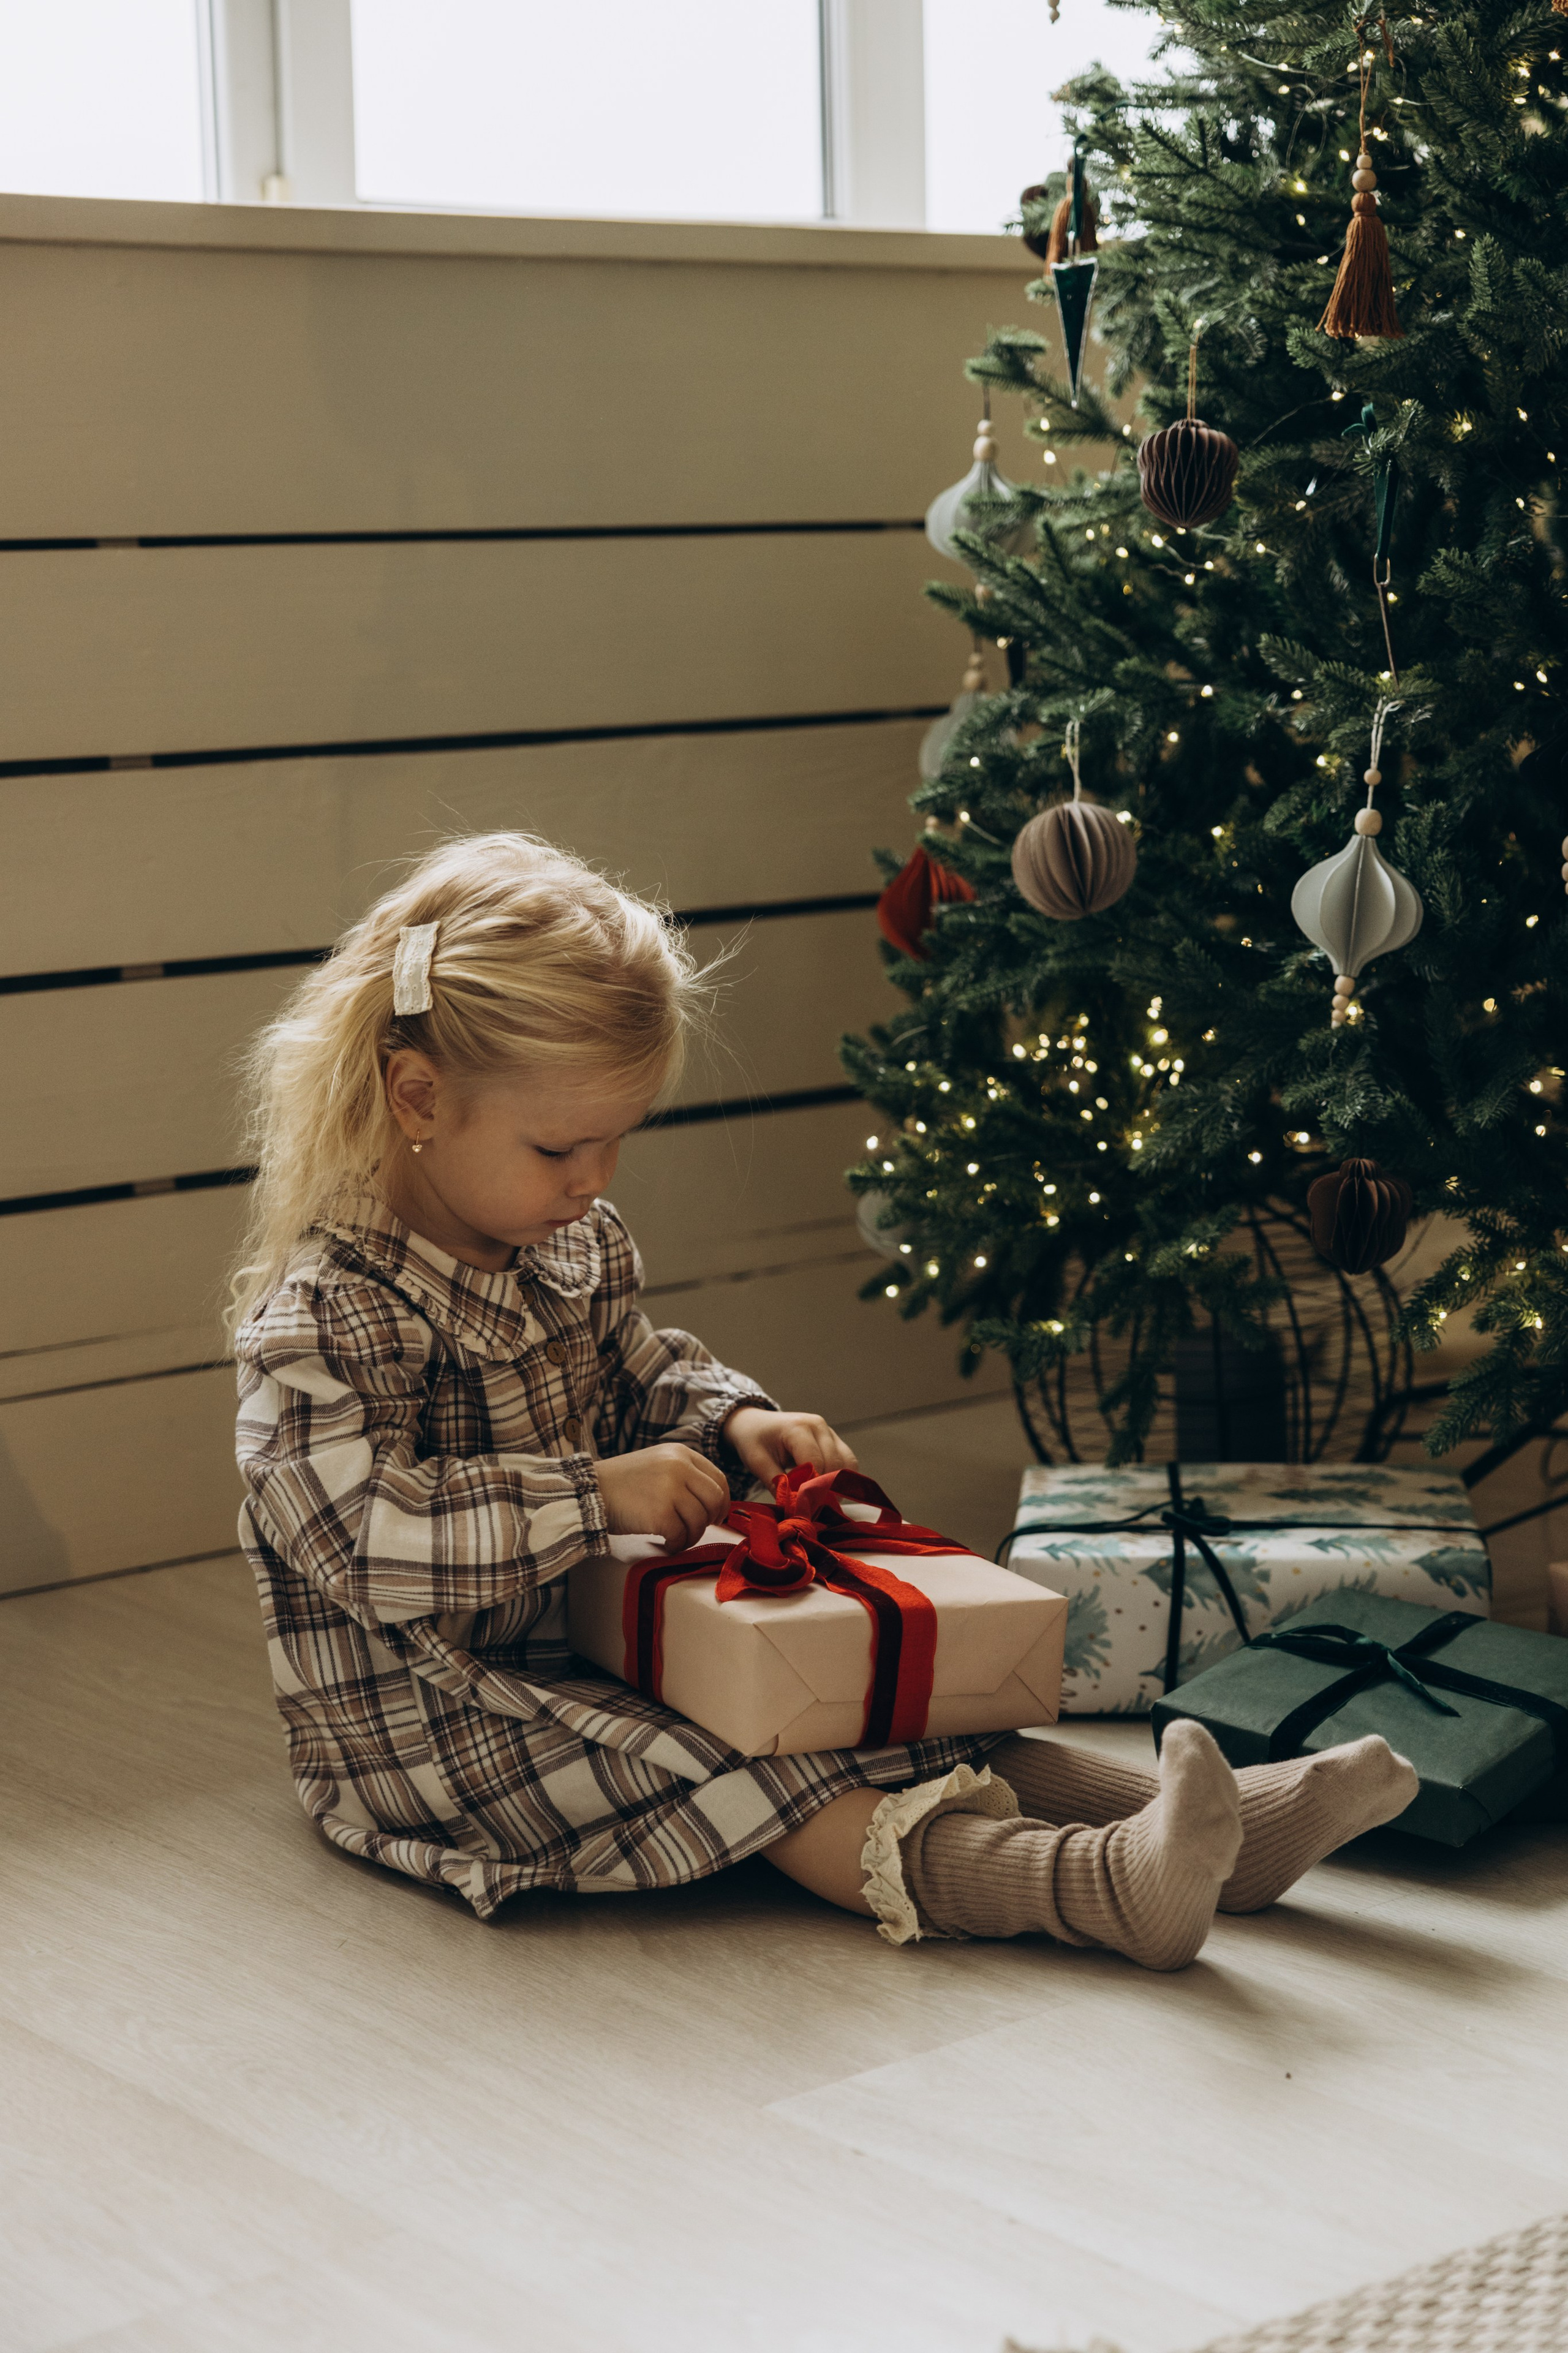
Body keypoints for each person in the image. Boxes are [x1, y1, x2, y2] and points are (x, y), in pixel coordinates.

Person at [232, 832, 1417, 1964]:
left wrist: (732, 1418)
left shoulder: (569, 1245)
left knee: (869, 1709)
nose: (594, 1180)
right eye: (559, 1148)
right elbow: (358, 1537)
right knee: (770, 1764)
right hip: (426, 1715)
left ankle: (1218, 1835)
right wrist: (591, 1494)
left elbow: (636, 1366)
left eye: (617, 1142)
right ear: (420, 1098)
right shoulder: (327, 1315)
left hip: (590, 1633)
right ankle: (1101, 1888)